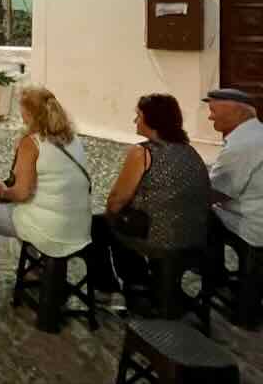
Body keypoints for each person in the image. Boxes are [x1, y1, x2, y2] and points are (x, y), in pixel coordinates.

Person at [0, 87, 92, 295]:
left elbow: (21, 193)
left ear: (29, 114)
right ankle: (35, 268)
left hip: (51, 230)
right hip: (80, 226)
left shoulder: (32, 143)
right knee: (30, 210)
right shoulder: (73, 139)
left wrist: (2, 192)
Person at [90, 94, 210, 296]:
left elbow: (117, 200)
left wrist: (113, 215)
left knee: (99, 225)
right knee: (121, 225)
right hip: (194, 234)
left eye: (138, 115)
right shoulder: (190, 151)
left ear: (152, 119)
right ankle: (143, 281)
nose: (135, 120)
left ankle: (120, 286)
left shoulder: (142, 153)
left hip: (159, 238)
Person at [206, 89, 263, 249]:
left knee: (195, 213)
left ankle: (214, 272)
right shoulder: (258, 132)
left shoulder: (241, 145)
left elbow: (217, 193)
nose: (210, 117)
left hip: (254, 227)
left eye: (213, 111)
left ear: (236, 112)